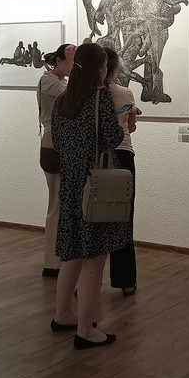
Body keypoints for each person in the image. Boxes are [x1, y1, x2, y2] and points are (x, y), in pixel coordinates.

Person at [51, 42, 128, 349]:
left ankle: (63, 314)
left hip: (71, 184)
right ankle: (85, 329)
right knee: (94, 259)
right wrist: (121, 122)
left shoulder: (63, 99)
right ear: (101, 67)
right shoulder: (100, 99)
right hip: (94, 186)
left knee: (71, 253)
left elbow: (57, 140)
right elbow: (112, 137)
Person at [37, 43, 76, 278]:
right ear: (59, 61)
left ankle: (59, 259)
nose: (74, 66)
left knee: (61, 202)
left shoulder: (60, 82)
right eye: (71, 61)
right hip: (54, 141)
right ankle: (52, 261)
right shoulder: (49, 81)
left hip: (60, 140)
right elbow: (72, 99)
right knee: (56, 202)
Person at [105, 47, 139, 294]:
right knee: (124, 218)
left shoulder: (87, 94)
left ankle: (85, 279)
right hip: (123, 155)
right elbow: (132, 127)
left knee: (92, 215)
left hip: (97, 156)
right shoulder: (125, 93)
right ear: (115, 68)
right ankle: (125, 280)